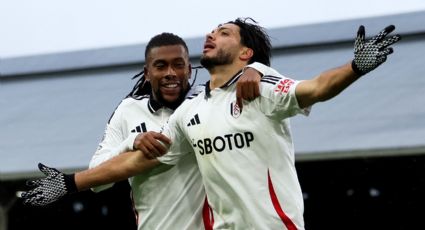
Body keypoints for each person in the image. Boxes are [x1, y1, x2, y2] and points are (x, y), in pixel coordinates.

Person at [22, 18, 401, 229]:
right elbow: (137, 163)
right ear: (147, 70)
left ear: (245, 52)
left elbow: (316, 88)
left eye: (223, 33)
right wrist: (70, 182)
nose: (210, 35)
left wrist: (356, 67)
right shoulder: (185, 113)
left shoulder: (262, 85)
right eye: (211, 31)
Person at [21, 32, 263, 230]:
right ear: (147, 73)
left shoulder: (209, 99)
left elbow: (255, 80)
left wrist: (257, 69)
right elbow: (97, 181)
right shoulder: (128, 110)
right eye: (161, 66)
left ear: (189, 70)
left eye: (178, 65)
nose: (170, 73)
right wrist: (131, 141)